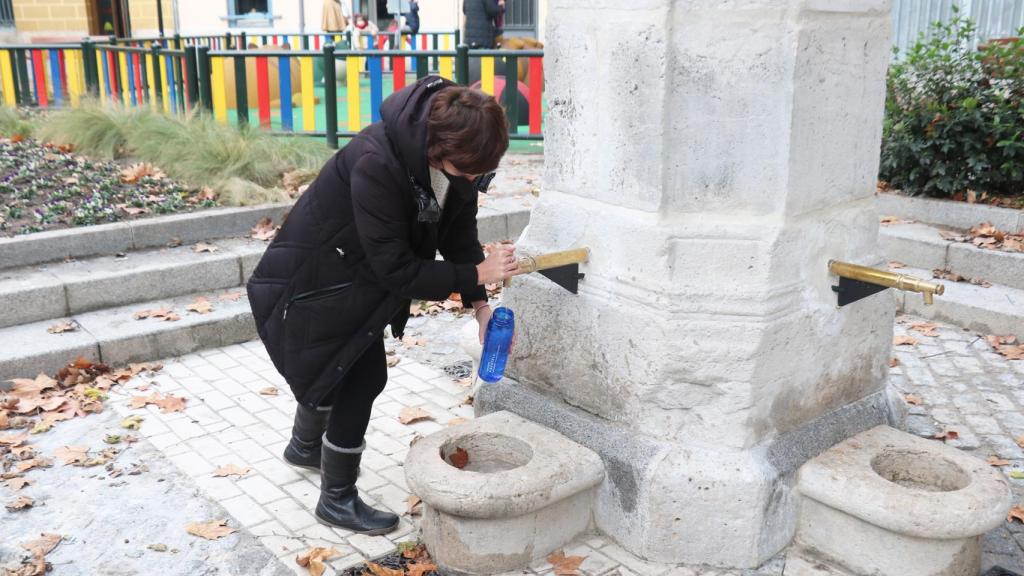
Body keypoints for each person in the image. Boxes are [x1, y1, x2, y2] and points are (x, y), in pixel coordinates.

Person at [245, 76, 518, 535]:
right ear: (437, 151)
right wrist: (476, 274)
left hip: (356, 276)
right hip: (316, 280)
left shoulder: (454, 160)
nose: (475, 180)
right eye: (469, 171)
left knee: (337, 367)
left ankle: (304, 447)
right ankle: (336, 499)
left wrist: (480, 307)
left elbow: (458, 237)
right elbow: (396, 269)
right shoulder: (378, 161)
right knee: (361, 375)